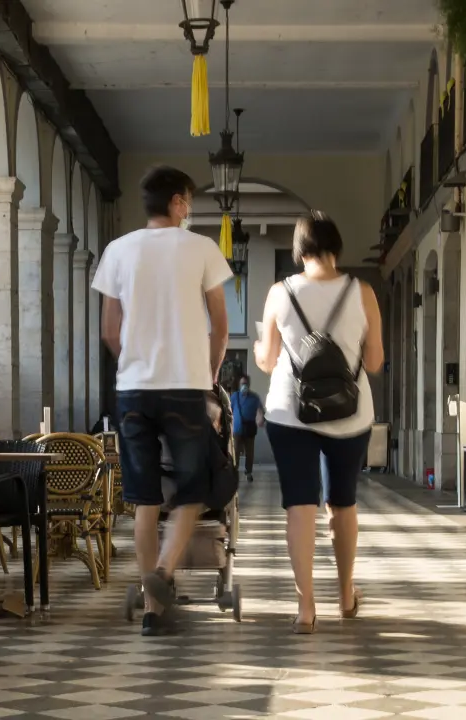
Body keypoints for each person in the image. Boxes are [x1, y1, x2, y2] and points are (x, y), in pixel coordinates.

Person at [93, 165, 232, 636]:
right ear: (176, 202)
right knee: (193, 489)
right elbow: (220, 325)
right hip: (184, 385)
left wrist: (136, 362)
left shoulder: (117, 250)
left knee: (144, 499)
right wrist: (208, 376)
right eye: (187, 201)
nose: (188, 209)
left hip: (133, 390)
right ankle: (164, 570)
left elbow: (109, 330)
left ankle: (153, 611)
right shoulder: (201, 248)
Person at [255, 211, 383, 634]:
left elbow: (267, 360)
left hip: (290, 413)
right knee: (342, 504)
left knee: (300, 506)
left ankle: (306, 608)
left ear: (299, 251)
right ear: (335, 247)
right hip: (350, 414)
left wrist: (260, 349)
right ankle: (345, 595)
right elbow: (376, 361)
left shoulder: (280, 293)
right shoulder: (362, 292)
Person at [230, 375, 264, 482]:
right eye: (242, 384)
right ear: (239, 385)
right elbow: (229, 410)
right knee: (235, 452)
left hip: (250, 429)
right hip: (237, 429)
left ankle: (248, 472)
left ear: (248, 385)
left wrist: (260, 418)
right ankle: (234, 472)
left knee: (249, 453)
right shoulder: (235, 396)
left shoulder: (254, 398)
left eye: (245, 384)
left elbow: (260, 410)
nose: (244, 386)